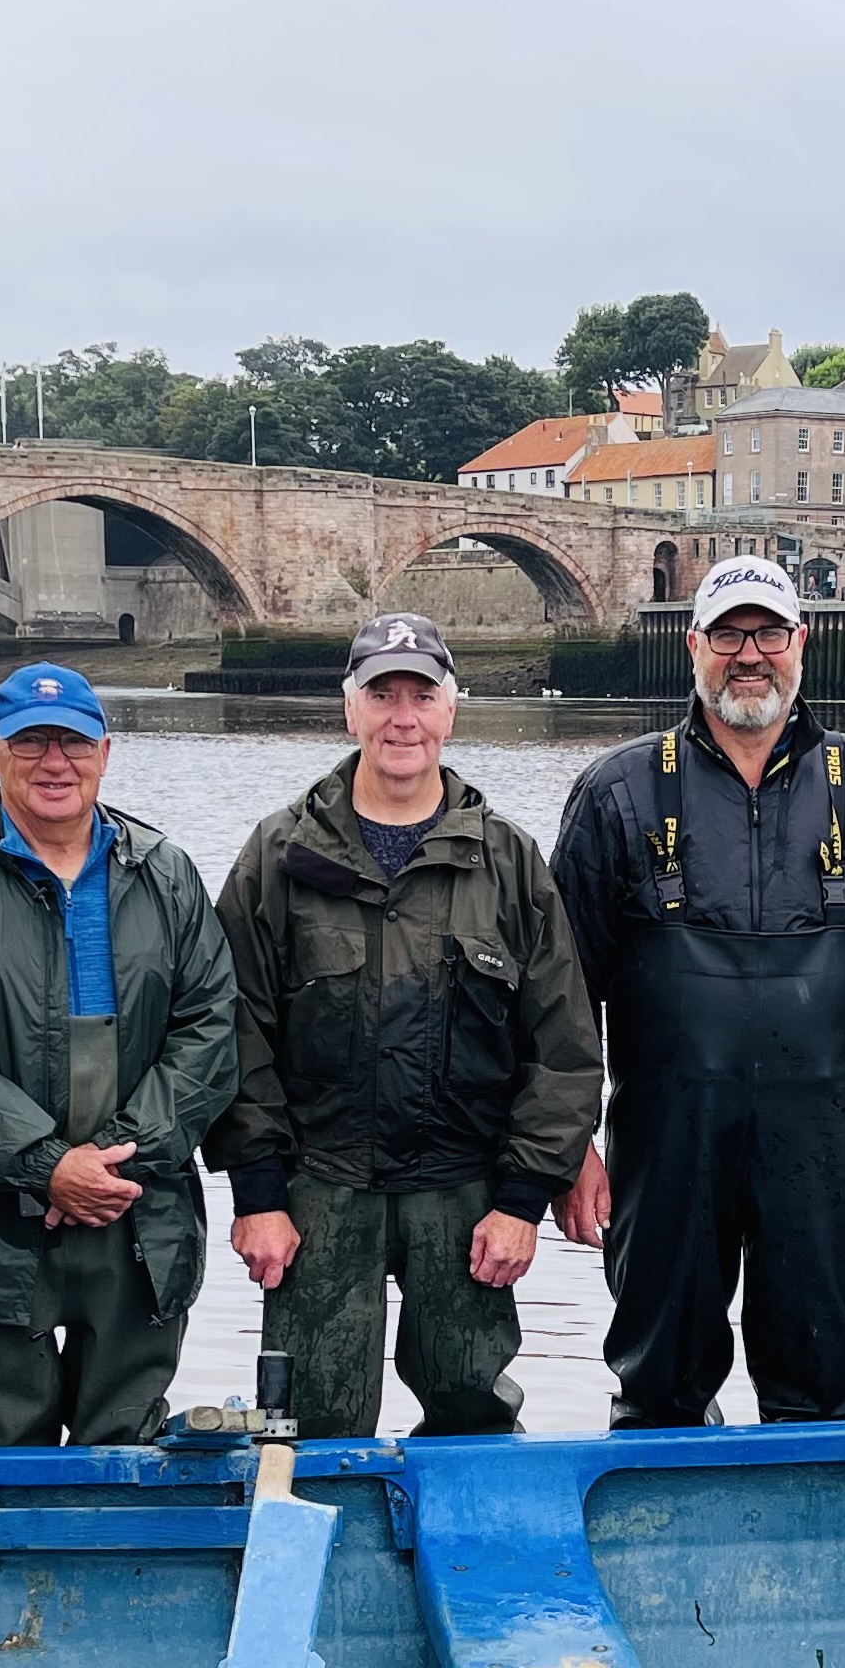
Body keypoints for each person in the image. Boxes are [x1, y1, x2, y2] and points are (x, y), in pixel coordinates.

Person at [551, 556, 845, 1426]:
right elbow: (560, 993)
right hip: (665, 1142)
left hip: (821, 1142)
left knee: (824, 1375)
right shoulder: (617, 789)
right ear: (694, 646)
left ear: (801, 645)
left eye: (769, 633)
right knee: (659, 1380)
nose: (751, 655)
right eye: (730, 634)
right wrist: (569, 1147)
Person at [207, 613, 602, 1437]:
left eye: (420, 695)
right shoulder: (278, 854)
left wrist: (525, 1198)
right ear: (348, 709)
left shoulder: (507, 859)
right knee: (308, 1421)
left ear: (450, 711)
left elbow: (562, 1044)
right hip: (320, 1190)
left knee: (473, 1413)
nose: (402, 717)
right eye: (380, 694)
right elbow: (233, 1029)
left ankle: (463, 1561)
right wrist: (258, 1193)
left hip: (466, 1197)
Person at [0, 662, 238, 1445]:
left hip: (137, 1212)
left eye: (73, 742)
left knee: (126, 1457)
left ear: (105, 752)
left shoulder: (168, 875)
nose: (55, 762)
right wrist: (46, 1163)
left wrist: (117, 1158)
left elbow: (211, 1030)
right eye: (31, 742)